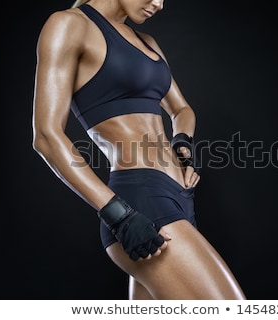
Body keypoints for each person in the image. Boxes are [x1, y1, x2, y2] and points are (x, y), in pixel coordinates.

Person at [32, 0, 246, 300]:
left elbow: (181, 108)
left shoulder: (147, 42)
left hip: (179, 199)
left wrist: (182, 141)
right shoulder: (69, 25)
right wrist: (119, 215)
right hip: (141, 204)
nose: (158, 4)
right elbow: (46, 136)